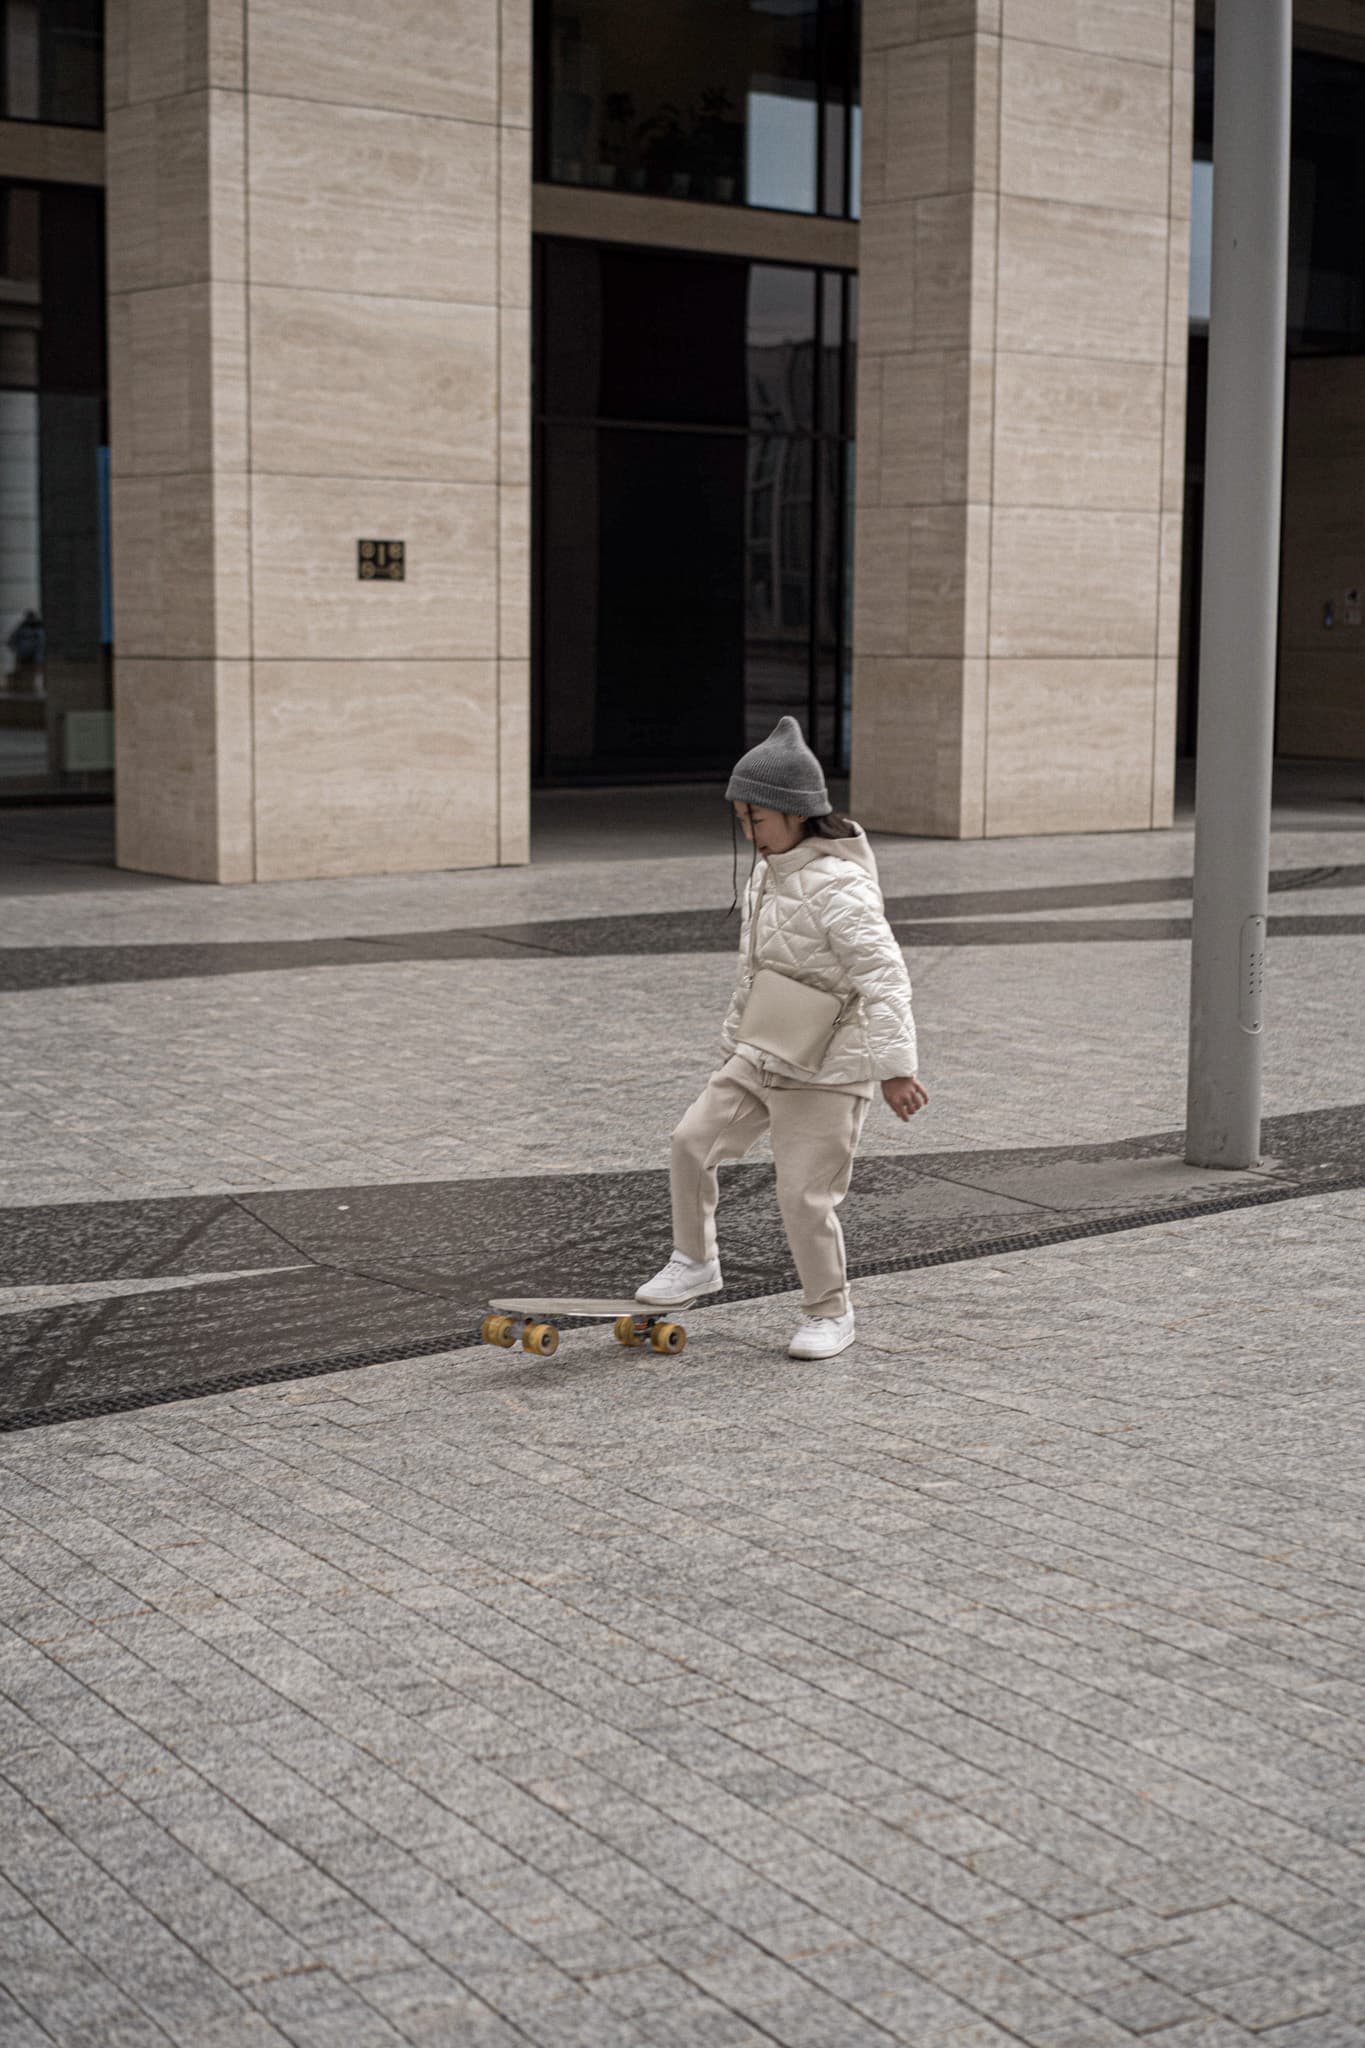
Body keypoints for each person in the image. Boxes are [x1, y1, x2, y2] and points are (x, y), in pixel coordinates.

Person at [638, 716, 927, 1360]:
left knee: (803, 1196)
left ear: (797, 814)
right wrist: (734, 1044)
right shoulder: (767, 873)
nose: (749, 833)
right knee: (692, 1141)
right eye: (742, 820)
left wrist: (895, 1068)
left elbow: (885, 977)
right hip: (763, 1051)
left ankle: (830, 1312)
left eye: (757, 819)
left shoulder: (841, 887)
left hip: (829, 1068)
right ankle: (695, 1260)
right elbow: (756, 970)